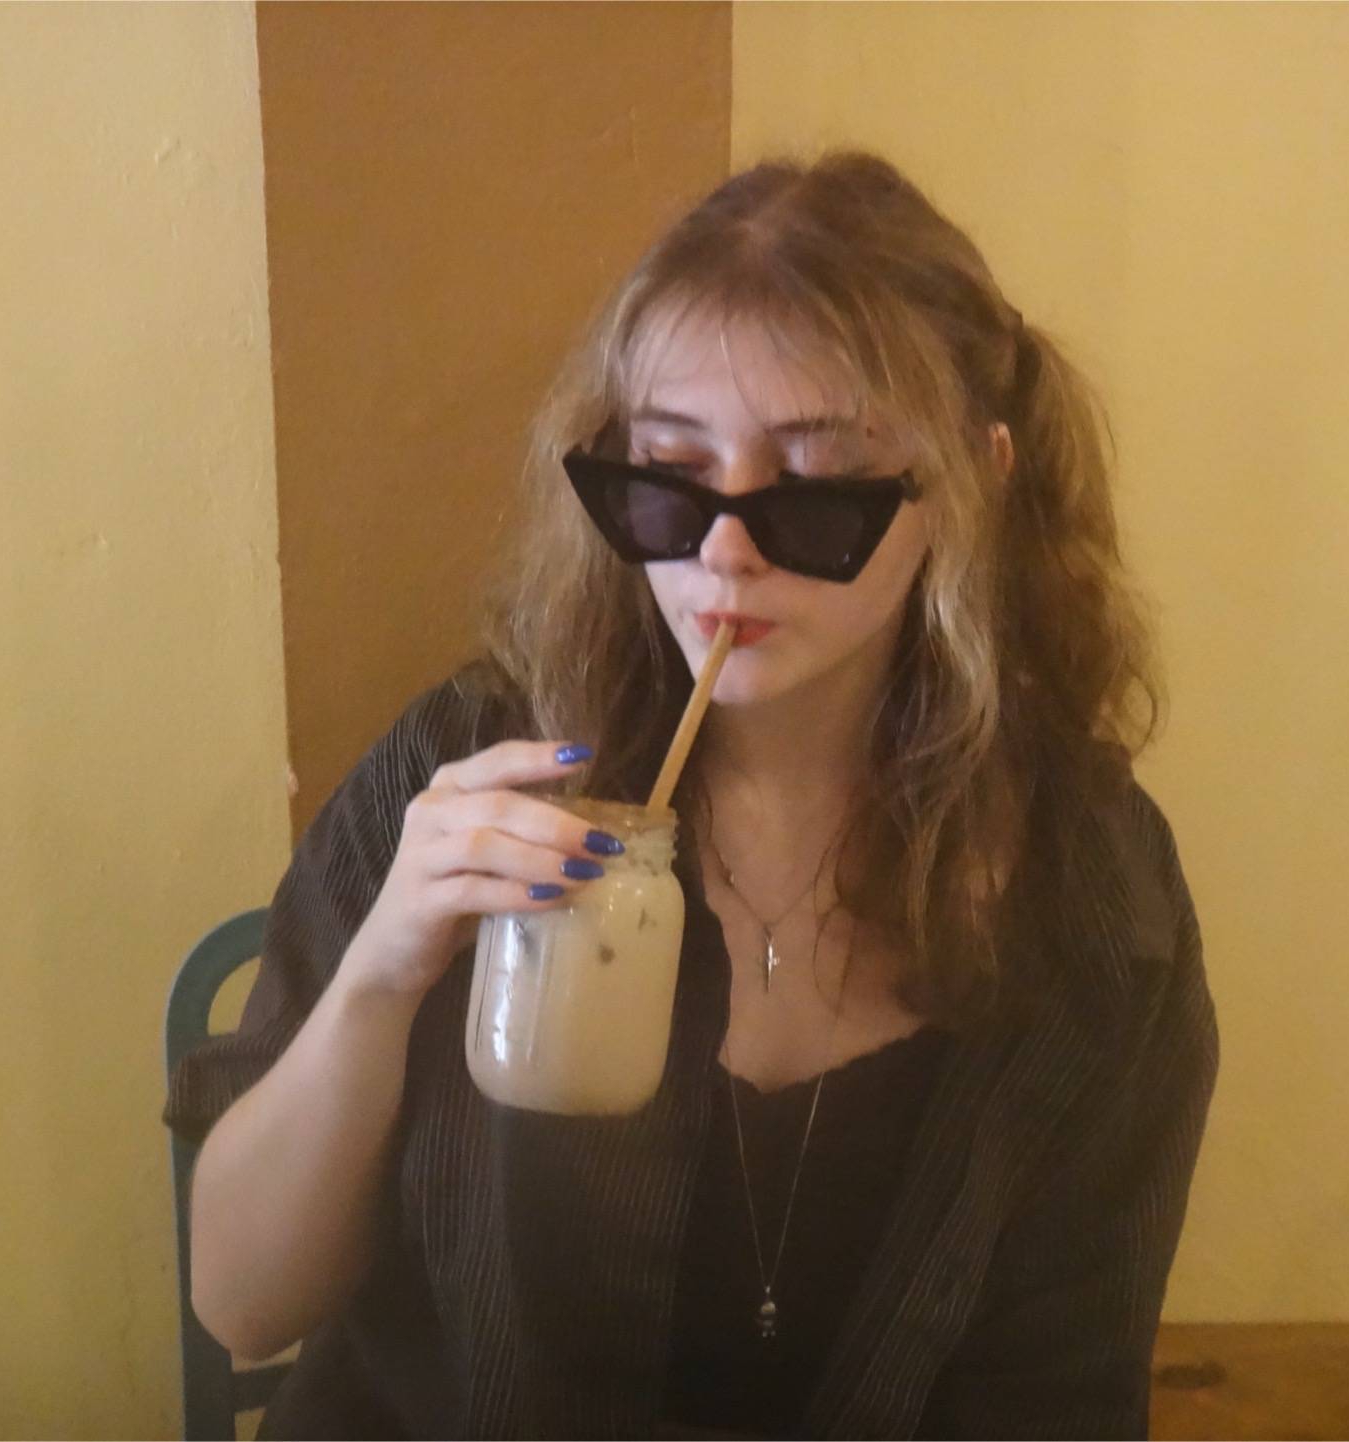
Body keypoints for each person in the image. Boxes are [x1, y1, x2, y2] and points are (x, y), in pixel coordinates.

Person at [164, 149, 1219, 1440]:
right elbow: (243, 1303)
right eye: (668, 472)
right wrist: (381, 976)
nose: (723, 550)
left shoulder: (1091, 893)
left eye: (813, 486)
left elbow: (1060, 1394)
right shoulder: (478, 765)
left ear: (974, 481)